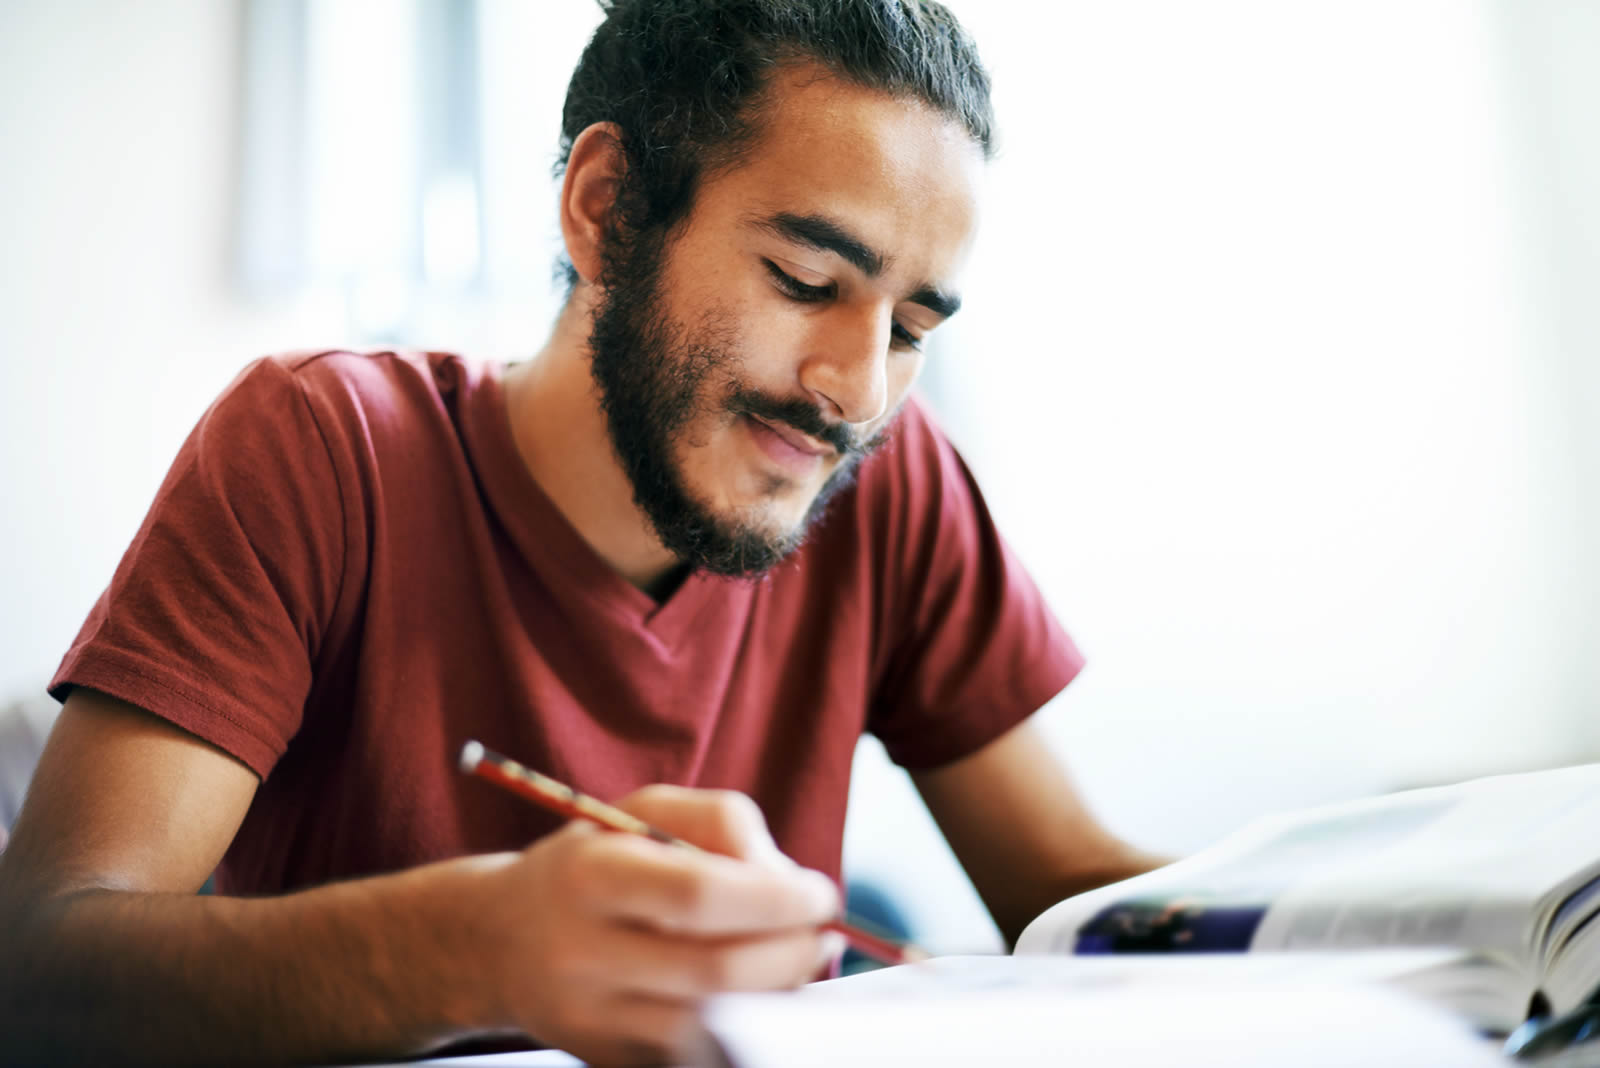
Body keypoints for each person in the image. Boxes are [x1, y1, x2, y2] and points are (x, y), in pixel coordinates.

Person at [0, 1, 1164, 1064]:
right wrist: (476, 949)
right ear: (607, 207)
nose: (857, 392)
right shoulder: (321, 447)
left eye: (909, 330)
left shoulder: (890, 487)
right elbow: (38, 970)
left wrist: (1276, 902)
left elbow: (1068, 890)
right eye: (805, 280)